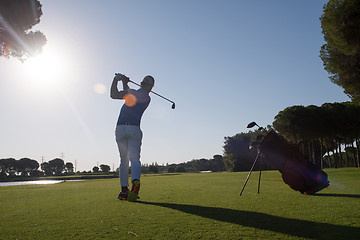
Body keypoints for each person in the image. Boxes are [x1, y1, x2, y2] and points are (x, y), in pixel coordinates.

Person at [110, 73, 154, 201]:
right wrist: (125, 83)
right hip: (134, 129)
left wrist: (116, 80)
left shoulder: (134, 93)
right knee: (134, 159)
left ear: (143, 83)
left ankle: (124, 191)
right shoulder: (146, 98)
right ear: (150, 88)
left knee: (124, 160)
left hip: (121, 128)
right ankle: (135, 182)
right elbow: (130, 98)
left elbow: (114, 95)